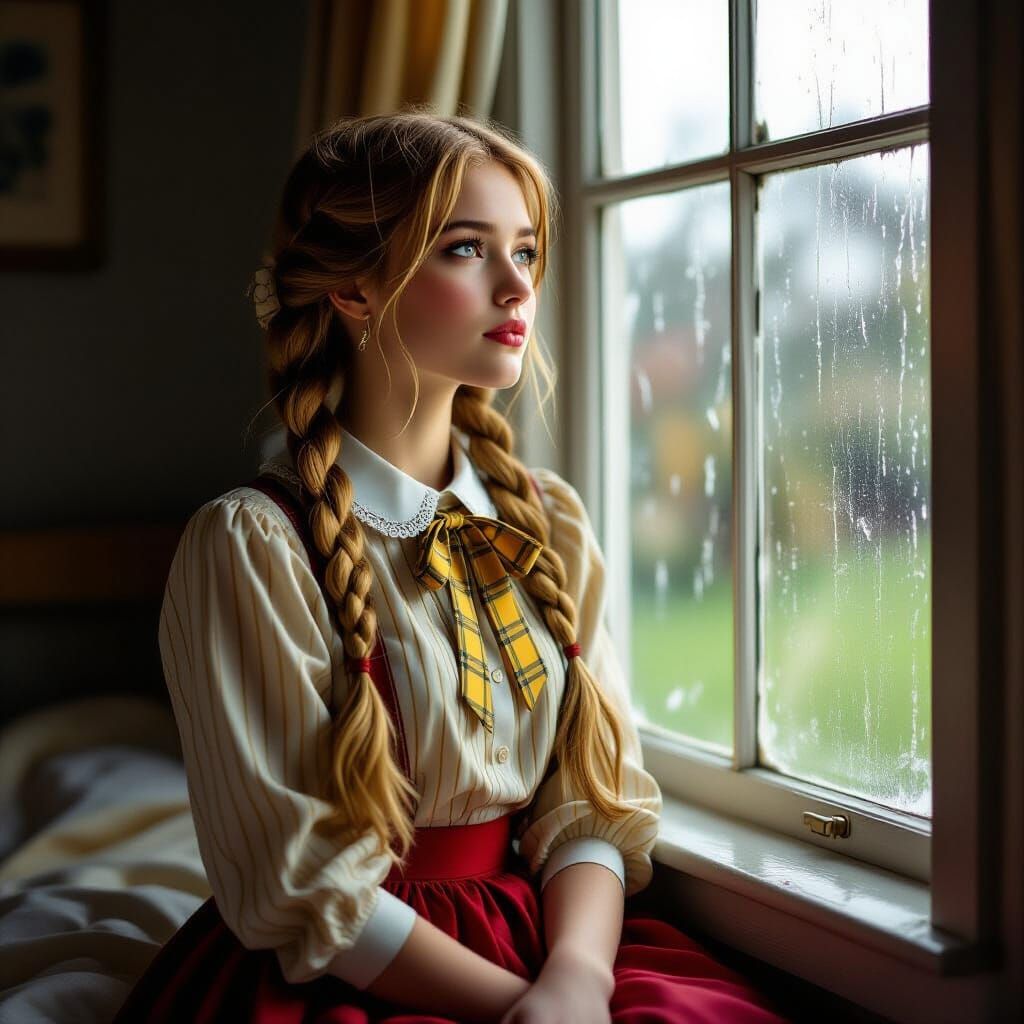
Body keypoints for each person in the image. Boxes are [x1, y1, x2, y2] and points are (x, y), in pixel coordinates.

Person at [113, 109, 789, 1023]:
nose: (518, 286)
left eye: (526, 251)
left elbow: (590, 799)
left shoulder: (544, 521)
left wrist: (577, 983)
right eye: (468, 250)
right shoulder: (253, 546)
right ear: (354, 291)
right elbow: (301, 877)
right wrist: (514, 1006)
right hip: (363, 972)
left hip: (555, 953)